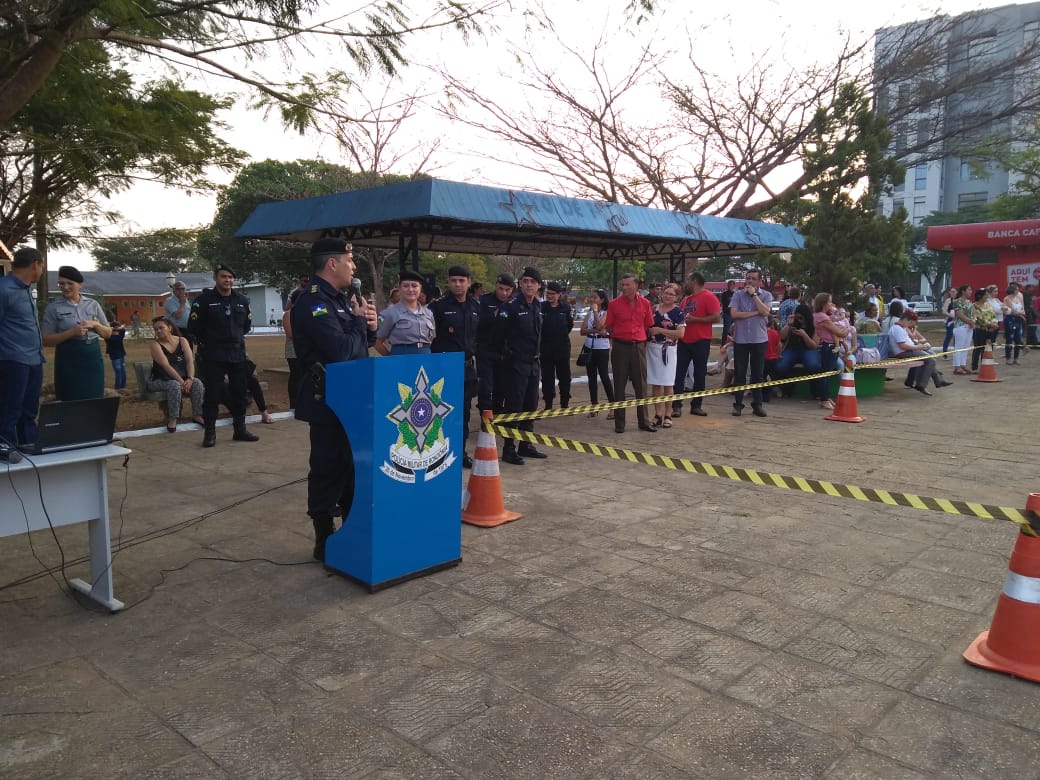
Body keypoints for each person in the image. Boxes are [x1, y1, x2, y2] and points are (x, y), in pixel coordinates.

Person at [291, 238, 378, 562]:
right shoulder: (313, 302)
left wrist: (368, 326)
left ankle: (350, 532)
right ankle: (324, 539)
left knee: (352, 468)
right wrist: (358, 323)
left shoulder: (340, 299)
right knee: (328, 467)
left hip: (352, 398)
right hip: (326, 400)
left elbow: (358, 346)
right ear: (332, 264)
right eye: (349, 260)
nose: (353, 266)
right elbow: (340, 351)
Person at [187, 263, 258, 447]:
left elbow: (246, 326)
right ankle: (210, 433)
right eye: (223, 276)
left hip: (237, 354)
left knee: (240, 393)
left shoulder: (242, 300)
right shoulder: (203, 300)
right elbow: (194, 327)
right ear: (215, 278)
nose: (227, 280)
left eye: (230, 277)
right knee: (213, 395)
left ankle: (240, 429)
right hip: (213, 354)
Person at [489, 266, 547, 465]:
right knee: (514, 407)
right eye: (525, 281)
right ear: (520, 284)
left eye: (532, 282)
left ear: (539, 286)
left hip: (534, 364)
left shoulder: (537, 305)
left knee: (531, 405)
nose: (528, 285)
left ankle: (526, 444)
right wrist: (506, 356)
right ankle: (509, 448)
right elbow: (498, 335)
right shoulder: (511, 306)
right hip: (515, 364)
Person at [429, 264, 480, 468]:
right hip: (443, 369)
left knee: (463, 414)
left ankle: (460, 453)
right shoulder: (438, 307)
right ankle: (440, 455)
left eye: (461, 281)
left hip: (466, 369)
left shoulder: (475, 306)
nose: (457, 284)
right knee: (441, 415)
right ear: (448, 282)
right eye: (453, 281)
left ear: (468, 282)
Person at [42, 265, 112, 401]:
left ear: (80, 284)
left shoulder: (92, 304)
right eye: (61, 284)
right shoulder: (53, 307)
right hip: (68, 358)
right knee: (69, 399)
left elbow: (108, 333)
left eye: (70, 283)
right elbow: (46, 340)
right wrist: (71, 332)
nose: (65, 287)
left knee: (94, 398)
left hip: (92, 358)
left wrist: (96, 324)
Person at [0, 246, 45, 451]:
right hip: (12, 360)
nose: (41, 271)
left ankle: (29, 446)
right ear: (35, 265)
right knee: (10, 410)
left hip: (35, 359)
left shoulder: (27, 290)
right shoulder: (4, 289)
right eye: (41, 266)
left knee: (29, 410)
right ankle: (6, 450)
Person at [604, 272, 656, 433]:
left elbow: (648, 324)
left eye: (628, 284)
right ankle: (620, 424)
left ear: (636, 286)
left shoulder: (645, 303)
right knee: (619, 384)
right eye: (623, 284)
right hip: (620, 347)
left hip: (639, 347)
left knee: (641, 385)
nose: (624, 287)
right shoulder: (614, 304)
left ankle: (644, 421)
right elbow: (609, 325)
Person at [673, 272, 721, 418]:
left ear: (694, 281)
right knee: (679, 374)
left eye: (688, 280)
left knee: (699, 374)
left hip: (701, 341)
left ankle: (696, 405)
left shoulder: (709, 297)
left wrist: (696, 320)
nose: (686, 283)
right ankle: (676, 405)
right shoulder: (686, 299)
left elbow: (716, 317)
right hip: (684, 341)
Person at [146, 317, 205, 432]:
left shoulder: (182, 341)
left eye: (161, 328)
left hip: (182, 378)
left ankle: (198, 415)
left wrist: (190, 378)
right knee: (174, 385)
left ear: (170, 328)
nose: (158, 331)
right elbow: (166, 366)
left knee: (197, 383)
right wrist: (182, 382)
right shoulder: (155, 345)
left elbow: (189, 361)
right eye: (155, 329)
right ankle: (173, 418)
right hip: (160, 380)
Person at [729, 269, 772, 418]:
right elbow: (734, 314)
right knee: (739, 373)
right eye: (748, 278)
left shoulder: (766, 295)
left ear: (759, 281)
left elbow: (765, 312)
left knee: (757, 374)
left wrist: (754, 295)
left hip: (758, 339)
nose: (750, 281)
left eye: (753, 279)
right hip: (740, 339)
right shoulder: (738, 295)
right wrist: (755, 313)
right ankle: (738, 405)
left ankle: (757, 405)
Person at [475, 273, 515, 423]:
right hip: (486, 350)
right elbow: (477, 322)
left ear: (512, 290)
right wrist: (495, 315)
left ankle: (497, 415)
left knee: (502, 387)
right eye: (501, 289)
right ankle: (485, 417)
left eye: (507, 290)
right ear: (496, 286)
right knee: (486, 388)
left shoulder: (514, 303)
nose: (503, 293)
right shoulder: (484, 301)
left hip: (505, 352)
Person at [888, 309, 951, 395]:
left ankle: (937, 381)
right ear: (906, 319)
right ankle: (922, 384)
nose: (910, 325)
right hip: (904, 352)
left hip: (908, 350)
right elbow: (902, 346)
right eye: (910, 323)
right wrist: (917, 347)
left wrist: (918, 346)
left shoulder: (900, 328)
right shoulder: (897, 329)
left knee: (929, 358)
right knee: (931, 360)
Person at [647, 282, 684, 427]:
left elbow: (680, 333)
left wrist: (661, 330)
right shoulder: (653, 309)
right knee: (655, 383)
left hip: (668, 349)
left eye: (671, 294)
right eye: (666, 293)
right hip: (652, 348)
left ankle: (668, 414)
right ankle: (658, 414)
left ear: (676, 297)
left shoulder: (678, 312)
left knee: (668, 383)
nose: (668, 296)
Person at [374, 269, 435, 356]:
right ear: (399, 288)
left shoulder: (428, 314)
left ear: (420, 289)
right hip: (401, 357)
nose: (410, 289)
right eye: (406, 286)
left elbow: (431, 339)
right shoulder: (389, 314)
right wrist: (390, 358)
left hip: (425, 357)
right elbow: (377, 341)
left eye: (414, 286)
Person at [775, 303, 824, 401]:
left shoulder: (814, 325)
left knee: (814, 365)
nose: (799, 320)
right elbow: (782, 337)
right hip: (792, 349)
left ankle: (816, 392)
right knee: (781, 366)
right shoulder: (793, 324)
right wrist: (788, 324)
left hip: (808, 350)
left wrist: (804, 335)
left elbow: (814, 345)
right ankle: (787, 389)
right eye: (797, 318)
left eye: (801, 318)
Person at [579, 289, 615, 418]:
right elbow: (582, 331)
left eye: (595, 298)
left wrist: (595, 313)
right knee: (591, 378)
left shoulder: (606, 312)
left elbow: (601, 326)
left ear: (602, 300)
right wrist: (594, 330)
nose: (592, 300)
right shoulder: (589, 313)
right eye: (591, 297)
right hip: (589, 346)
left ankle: (613, 406)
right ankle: (594, 405)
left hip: (602, 347)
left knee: (604, 376)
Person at [539, 281, 574, 410]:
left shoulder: (565, 308)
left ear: (559, 295)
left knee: (564, 377)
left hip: (562, 348)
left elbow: (569, 325)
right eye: (548, 293)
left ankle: (564, 404)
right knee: (547, 378)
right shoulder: (541, 307)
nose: (549, 296)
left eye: (552, 294)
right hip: (545, 348)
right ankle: (548, 404)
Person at [812, 293, 847, 410]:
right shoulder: (822, 317)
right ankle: (824, 399)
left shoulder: (819, 316)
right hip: (829, 346)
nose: (831, 304)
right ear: (824, 303)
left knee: (827, 372)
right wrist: (847, 329)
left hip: (828, 346)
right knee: (825, 373)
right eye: (829, 302)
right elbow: (839, 332)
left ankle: (826, 397)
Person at [950, 285, 974, 375]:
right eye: (969, 290)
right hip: (960, 326)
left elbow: (973, 313)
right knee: (959, 346)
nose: (970, 291)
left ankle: (962, 364)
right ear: (963, 291)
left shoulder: (969, 302)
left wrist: (973, 321)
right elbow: (959, 314)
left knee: (966, 346)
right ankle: (957, 366)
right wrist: (969, 321)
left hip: (969, 327)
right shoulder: (957, 301)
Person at [972, 287, 997, 372]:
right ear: (980, 296)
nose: (987, 297)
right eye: (985, 295)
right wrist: (990, 324)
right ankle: (974, 367)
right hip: (979, 330)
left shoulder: (987, 305)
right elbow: (978, 319)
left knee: (987, 348)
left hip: (990, 330)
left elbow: (993, 315)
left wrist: (994, 323)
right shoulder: (974, 306)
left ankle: (984, 366)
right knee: (978, 348)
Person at [1002, 282, 1026, 364]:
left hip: (1018, 320)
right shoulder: (1007, 298)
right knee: (1009, 339)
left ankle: (1016, 358)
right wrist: (1020, 314)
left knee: (1018, 339)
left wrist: (1021, 314)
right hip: (1010, 320)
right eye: (1017, 289)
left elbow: (1022, 309)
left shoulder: (1018, 298)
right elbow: (1012, 310)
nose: (1018, 291)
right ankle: (1008, 358)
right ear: (1013, 290)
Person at [105, 321, 128, 390]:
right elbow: (123, 329)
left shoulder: (109, 337)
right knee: (123, 371)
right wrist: (119, 328)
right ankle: (122, 387)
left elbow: (105, 336)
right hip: (121, 354)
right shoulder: (120, 336)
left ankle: (117, 388)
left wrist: (112, 328)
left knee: (118, 372)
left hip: (115, 357)